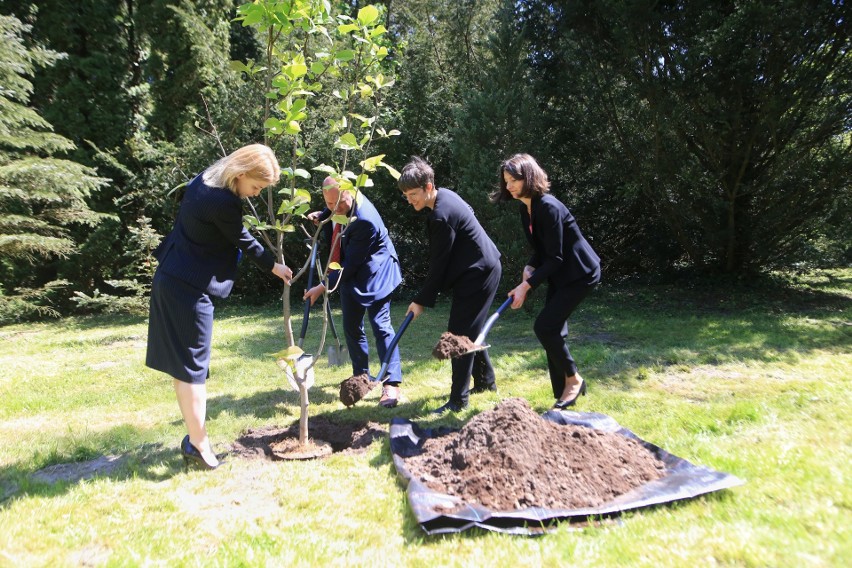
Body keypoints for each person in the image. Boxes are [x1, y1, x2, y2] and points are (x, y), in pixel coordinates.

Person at [146, 144, 293, 470]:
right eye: (255, 188)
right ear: (240, 174)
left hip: (172, 276)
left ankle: (194, 438)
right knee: (193, 369)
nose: (254, 195)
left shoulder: (206, 180)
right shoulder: (223, 201)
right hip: (187, 288)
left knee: (187, 368)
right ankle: (199, 447)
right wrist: (275, 266)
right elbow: (242, 239)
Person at [493, 153, 601, 409]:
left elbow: (556, 258)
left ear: (528, 177)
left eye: (513, 180)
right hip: (561, 274)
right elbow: (543, 250)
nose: (508, 186)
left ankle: (573, 380)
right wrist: (529, 267)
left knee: (545, 327)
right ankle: (563, 394)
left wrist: (525, 287)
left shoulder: (549, 207)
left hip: (580, 273)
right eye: (506, 181)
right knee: (553, 330)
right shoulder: (526, 209)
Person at [399, 157, 502, 414]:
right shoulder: (445, 196)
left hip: (479, 274)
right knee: (469, 331)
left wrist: (421, 300)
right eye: (406, 195)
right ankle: (486, 382)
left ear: (428, 186)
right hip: (483, 267)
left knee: (457, 336)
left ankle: (458, 400)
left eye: (413, 194)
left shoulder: (441, 216)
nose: (410, 200)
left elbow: (439, 264)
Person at [303, 177, 404, 407]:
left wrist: (322, 287)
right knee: (351, 326)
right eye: (329, 204)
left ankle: (392, 384)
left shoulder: (365, 219)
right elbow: (335, 215)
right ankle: (362, 378)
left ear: (351, 192)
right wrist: (323, 215)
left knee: (381, 325)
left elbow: (350, 266)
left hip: (376, 272)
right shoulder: (338, 206)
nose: (335, 208)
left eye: (339, 203)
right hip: (348, 273)